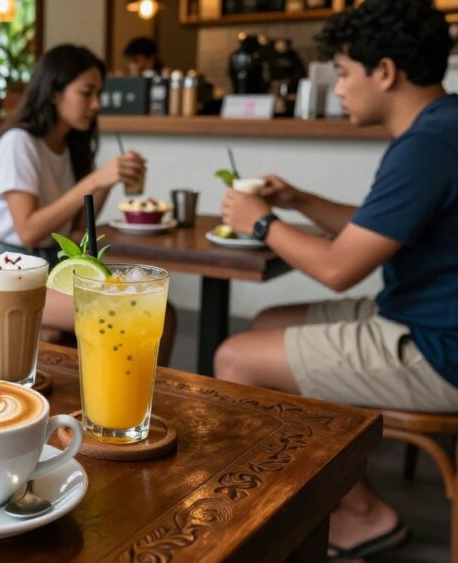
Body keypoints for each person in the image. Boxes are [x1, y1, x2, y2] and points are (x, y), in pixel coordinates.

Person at [214, 1, 457, 559]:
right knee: (268, 322)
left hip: (439, 348)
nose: (339, 89)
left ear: (386, 72)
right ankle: (346, 492)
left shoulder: (428, 145)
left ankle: (360, 512)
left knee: (236, 359)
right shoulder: (441, 126)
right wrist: (300, 201)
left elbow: (338, 268)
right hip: (420, 314)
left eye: (344, 73)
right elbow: (375, 229)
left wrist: (261, 221)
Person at [0, 44, 174, 344]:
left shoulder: (68, 147)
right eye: (87, 93)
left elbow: (80, 228)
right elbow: (29, 231)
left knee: (160, 308)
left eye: (98, 94)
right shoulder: (18, 143)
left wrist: (107, 182)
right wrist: (92, 181)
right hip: (7, 269)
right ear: (55, 92)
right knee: (127, 311)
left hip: (53, 264)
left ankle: (139, 387)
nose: (96, 104)